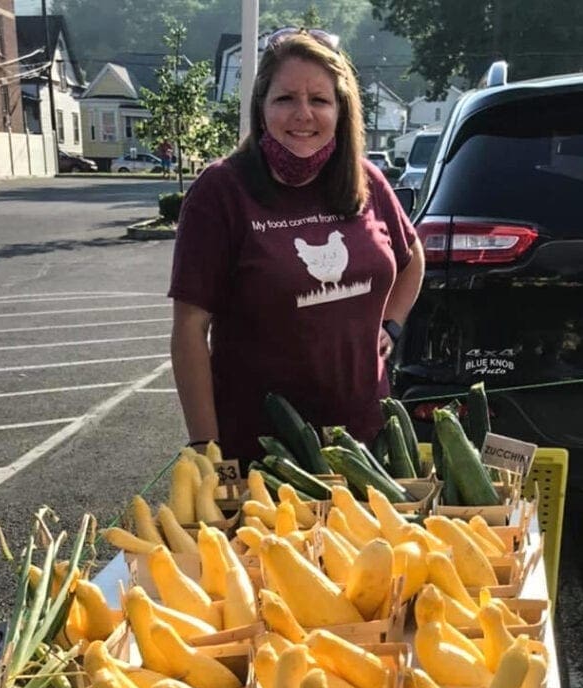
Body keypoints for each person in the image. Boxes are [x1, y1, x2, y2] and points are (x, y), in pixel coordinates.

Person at [168, 27, 425, 463]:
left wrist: (391, 327)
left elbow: (412, 257)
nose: (303, 114)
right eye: (286, 98)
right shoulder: (221, 191)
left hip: (365, 441)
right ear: (262, 106)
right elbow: (190, 330)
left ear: (341, 110)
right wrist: (206, 450)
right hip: (262, 452)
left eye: (319, 100)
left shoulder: (366, 180)